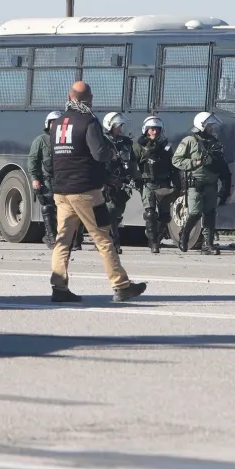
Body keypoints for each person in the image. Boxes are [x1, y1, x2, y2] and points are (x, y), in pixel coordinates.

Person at [49, 81, 147, 303]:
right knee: (103, 238)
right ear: (90, 99)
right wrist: (112, 155)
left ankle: (59, 287)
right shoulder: (88, 121)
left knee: (63, 239)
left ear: (69, 97)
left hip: (61, 190)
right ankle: (121, 285)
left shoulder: (57, 123)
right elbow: (99, 154)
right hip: (86, 191)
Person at [171, 112, 231, 255]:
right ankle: (184, 235)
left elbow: (221, 163)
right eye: (209, 125)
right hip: (195, 184)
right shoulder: (189, 141)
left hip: (212, 184)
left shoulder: (215, 143)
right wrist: (194, 162)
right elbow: (176, 160)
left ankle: (208, 245)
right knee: (195, 213)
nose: (212, 128)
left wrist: (225, 181)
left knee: (210, 213)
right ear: (201, 125)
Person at [134, 116, 177, 254]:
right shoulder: (138, 147)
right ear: (146, 130)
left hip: (163, 183)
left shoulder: (167, 147)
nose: (154, 132)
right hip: (147, 183)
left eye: (157, 129)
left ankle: (155, 236)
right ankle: (154, 243)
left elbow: (173, 166)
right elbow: (132, 164)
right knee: (150, 214)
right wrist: (135, 179)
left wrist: (177, 184)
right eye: (152, 129)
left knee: (165, 216)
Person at [100, 111, 137, 254]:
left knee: (118, 213)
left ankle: (105, 239)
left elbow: (132, 161)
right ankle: (115, 244)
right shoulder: (101, 142)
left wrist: (135, 178)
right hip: (107, 183)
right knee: (111, 213)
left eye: (120, 125)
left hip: (122, 184)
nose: (120, 128)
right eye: (117, 125)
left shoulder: (126, 143)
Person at [28, 110, 62, 247]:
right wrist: (35, 179)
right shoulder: (41, 140)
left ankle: (62, 237)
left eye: (59, 123)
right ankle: (51, 237)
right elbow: (33, 160)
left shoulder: (64, 140)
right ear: (48, 124)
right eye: (53, 123)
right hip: (47, 180)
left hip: (62, 180)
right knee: (47, 207)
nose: (56, 125)